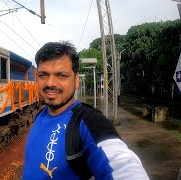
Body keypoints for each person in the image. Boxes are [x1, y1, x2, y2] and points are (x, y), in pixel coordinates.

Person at [22, 41, 149, 180]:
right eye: (43, 75)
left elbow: (122, 163)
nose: (50, 83)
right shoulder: (40, 115)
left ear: (76, 80)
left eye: (61, 75)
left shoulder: (88, 120)